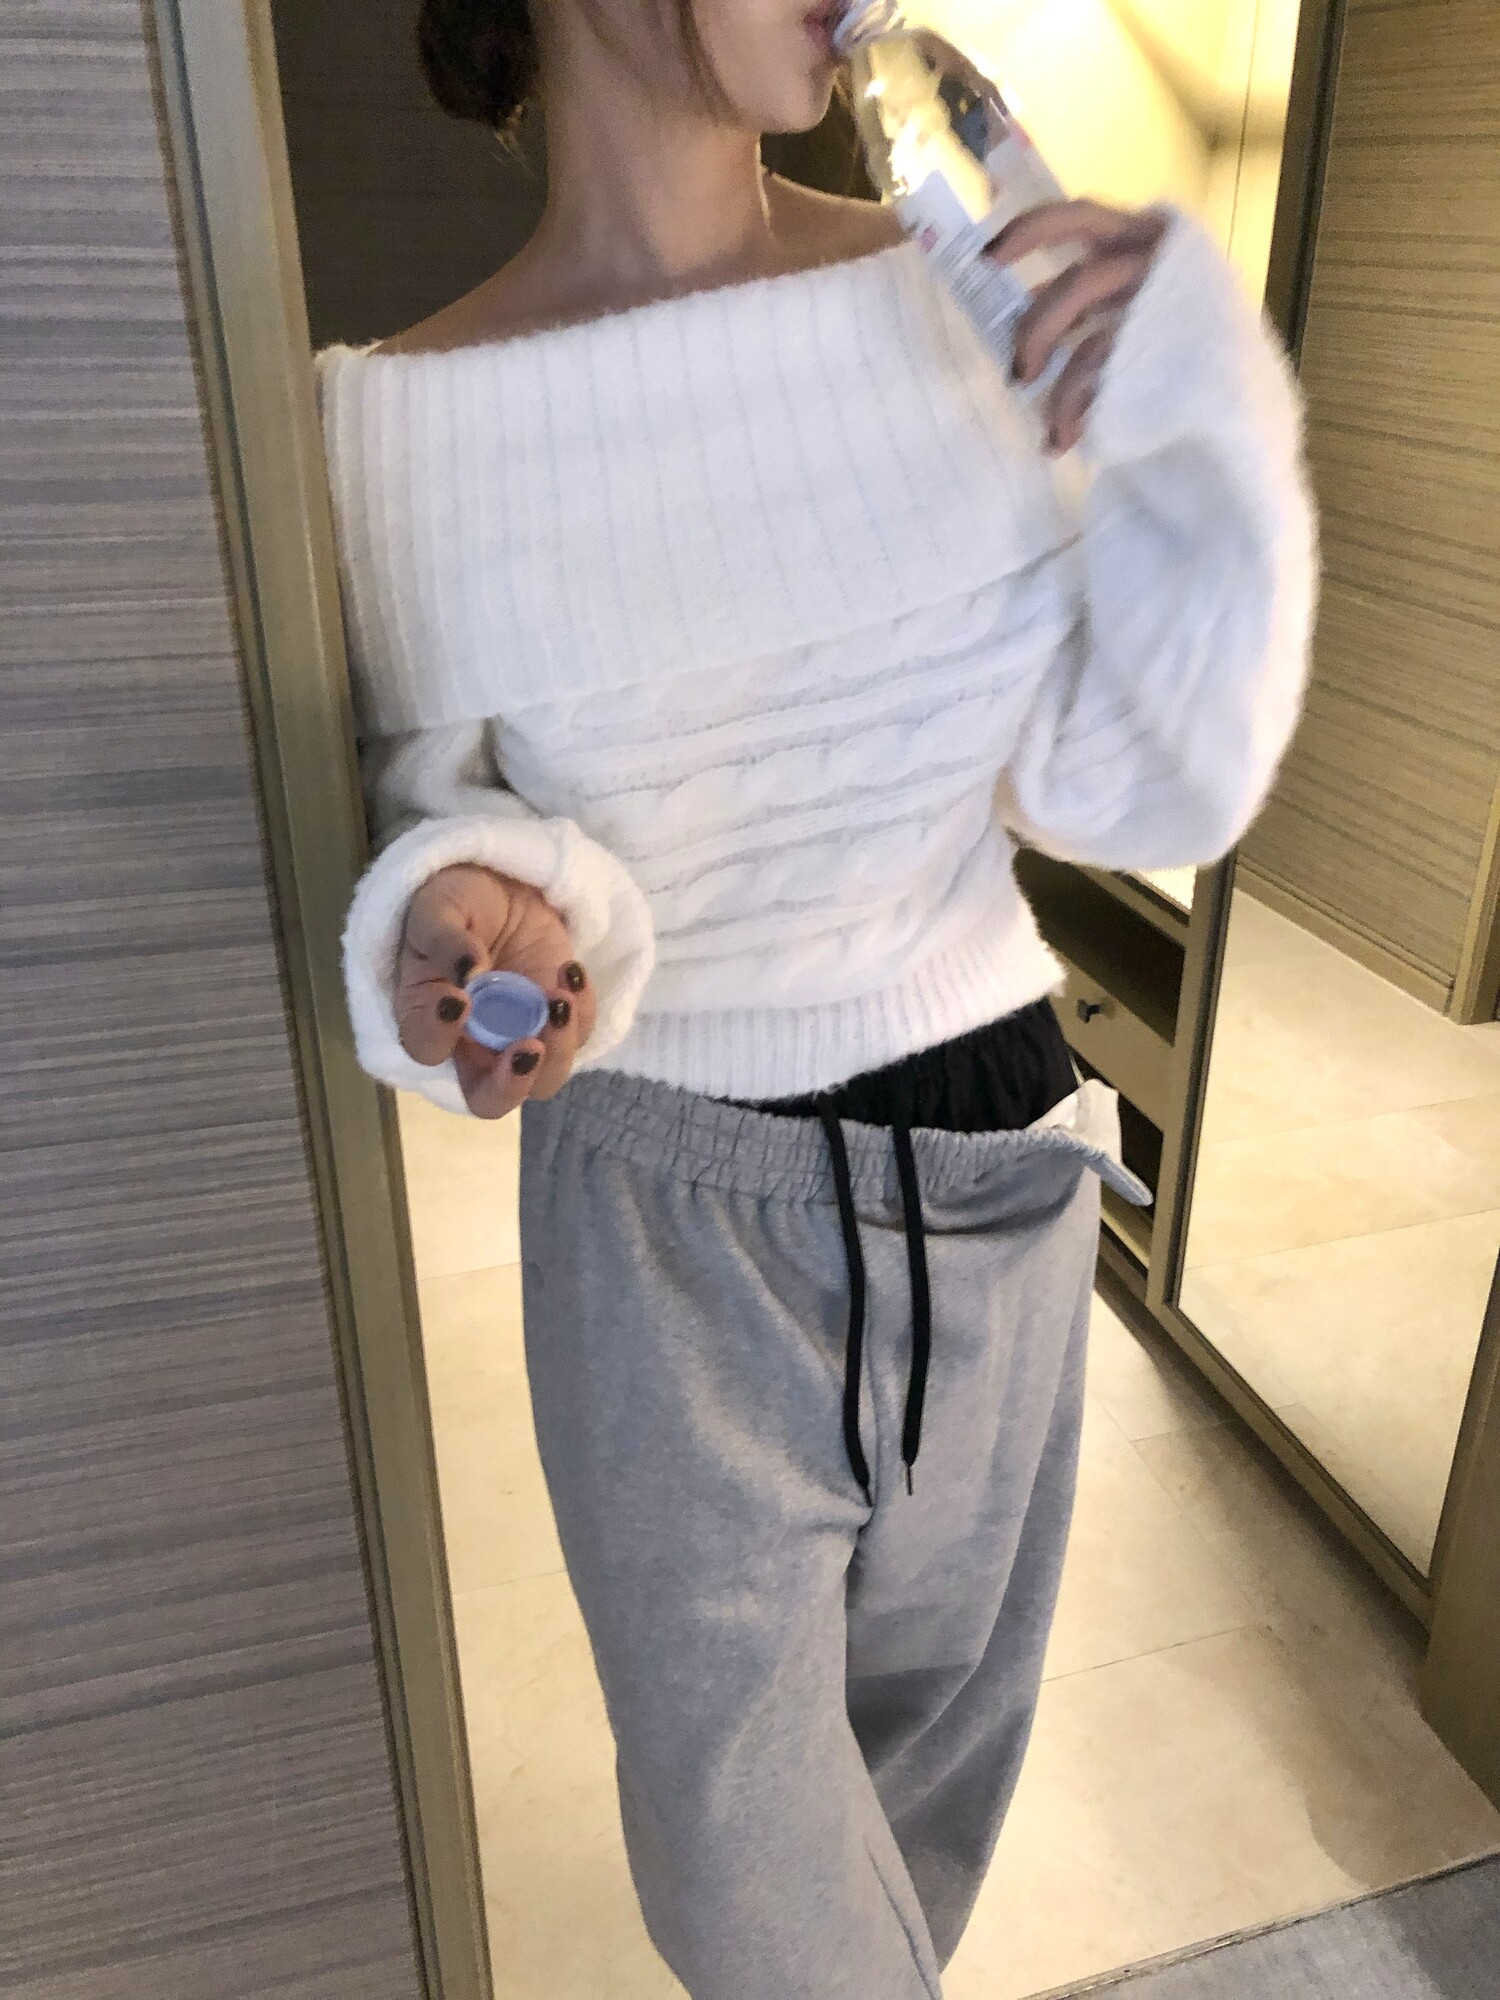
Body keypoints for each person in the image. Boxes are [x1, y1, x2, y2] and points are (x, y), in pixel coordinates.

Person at [313, 1, 1316, 1992]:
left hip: (1007, 1158)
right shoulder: (391, 430)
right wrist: (469, 915)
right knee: (742, 1869)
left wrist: (1203, 426)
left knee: (925, 1795)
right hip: (663, 1214)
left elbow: (1145, 785)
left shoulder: (961, 294)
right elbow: (453, 842)